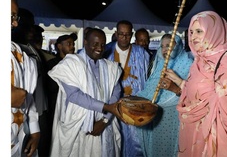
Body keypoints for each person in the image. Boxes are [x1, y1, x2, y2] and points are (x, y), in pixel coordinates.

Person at [163, 11, 227, 156]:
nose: (193, 36)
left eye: (199, 31)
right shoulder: (199, 62)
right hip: (194, 135)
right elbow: (199, 94)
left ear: (214, 32)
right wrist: (179, 83)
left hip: (215, 139)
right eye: (191, 32)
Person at [48, 28, 122, 157]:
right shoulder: (71, 64)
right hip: (79, 127)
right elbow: (74, 95)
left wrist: (105, 120)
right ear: (85, 42)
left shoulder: (111, 67)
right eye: (95, 44)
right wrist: (105, 107)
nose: (99, 48)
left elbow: (116, 93)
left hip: (105, 125)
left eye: (103, 44)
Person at [137, 34, 193, 157]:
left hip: (173, 115)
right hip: (155, 115)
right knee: (156, 147)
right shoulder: (160, 64)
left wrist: (174, 88)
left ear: (177, 46)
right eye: (162, 46)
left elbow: (191, 94)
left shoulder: (189, 63)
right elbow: (150, 88)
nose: (164, 49)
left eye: (169, 45)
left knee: (170, 147)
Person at [103, 20, 149, 157]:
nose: (124, 38)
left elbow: (145, 78)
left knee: (136, 143)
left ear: (132, 35)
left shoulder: (141, 53)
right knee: (114, 141)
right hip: (112, 105)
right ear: (116, 34)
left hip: (134, 107)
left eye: (127, 35)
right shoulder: (106, 51)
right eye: (121, 34)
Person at [11, 0, 40, 157]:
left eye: (17, 17)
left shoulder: (23, 57)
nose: (15, 23)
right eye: (12, 16)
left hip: (17, 140)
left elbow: (27, 97)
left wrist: (35, 130)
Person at [46, 32, 78, 149]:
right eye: (69, 44)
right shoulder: (52, 64)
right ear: (59, 46)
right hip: (56, 108)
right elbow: (51, 87)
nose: (72, 46)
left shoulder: (76, 62)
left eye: (73, 44)